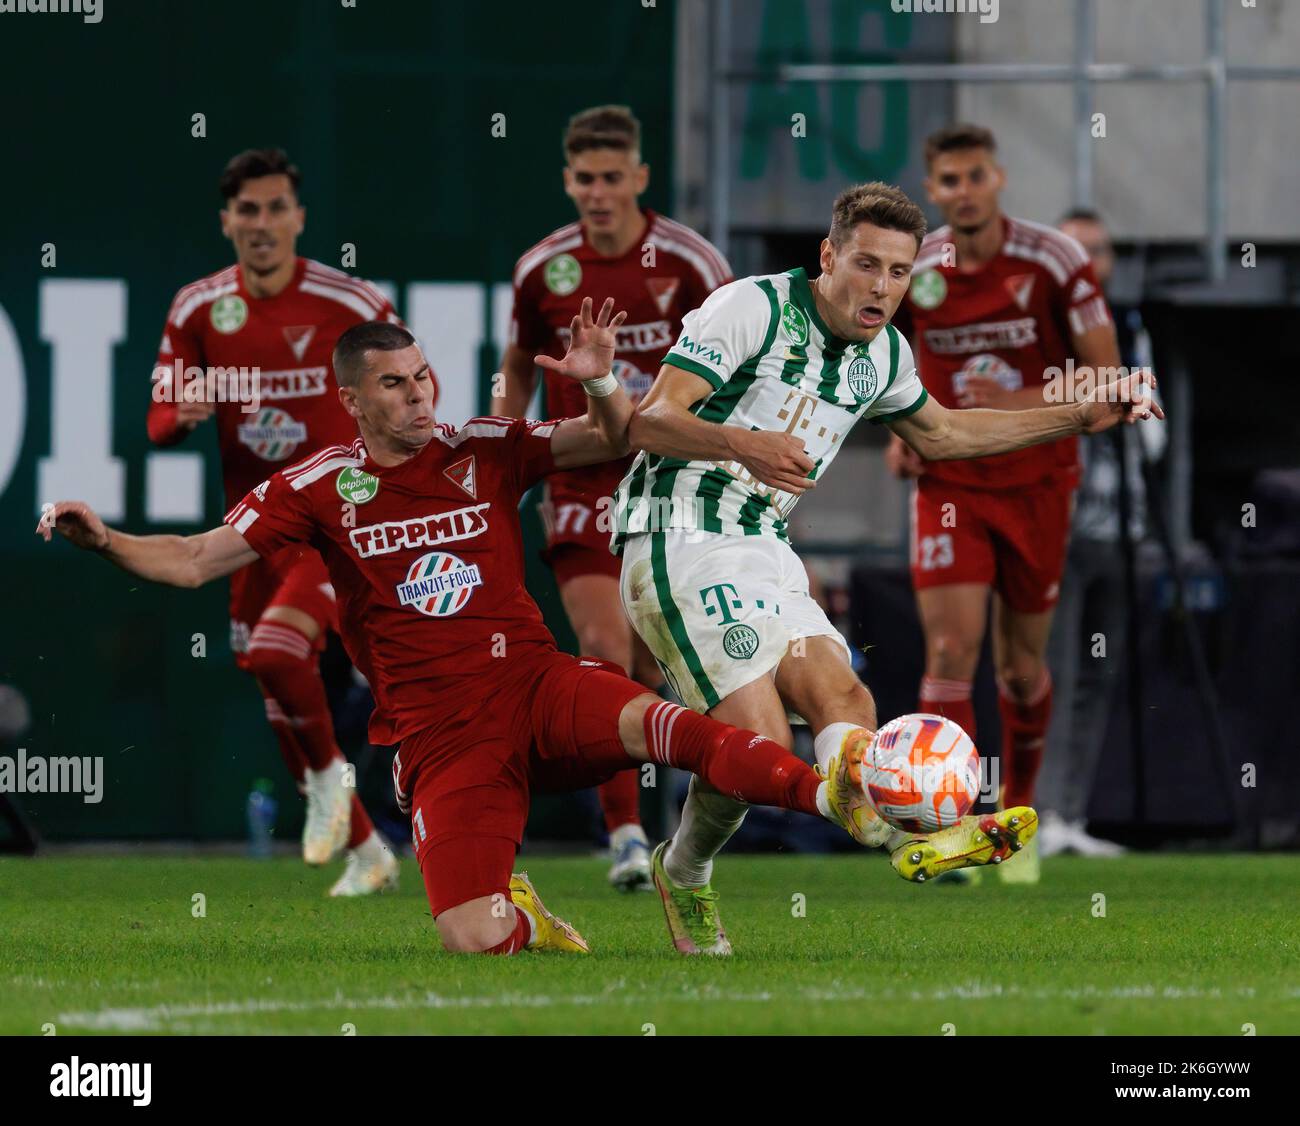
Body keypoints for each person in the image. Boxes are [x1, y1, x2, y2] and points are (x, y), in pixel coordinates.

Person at [40, 301, 928, 956]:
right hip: (441, 738)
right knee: (474, 937)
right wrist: (103, 540)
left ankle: (844, 800)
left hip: (538, 687)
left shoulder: (483, 444)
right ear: (352, 400)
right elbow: (195, 560)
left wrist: (598, 380)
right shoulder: (316, 486)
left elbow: (612, 440)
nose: (420, 395)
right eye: (394, 384)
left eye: (423, 375)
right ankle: (524, 912)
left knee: (686, 732)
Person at [614, 178, 1161, 952]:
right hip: (679, 533)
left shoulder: (885, 355)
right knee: (761, 745)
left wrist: (1077, 416)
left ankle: (873, 830)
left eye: (900, 273)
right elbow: (651, 419)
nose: (882, 288)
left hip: (764, 544)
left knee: (843, 695)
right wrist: (748, 442)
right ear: (829, 255)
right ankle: (733, 864)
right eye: (866, 266)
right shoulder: (752, 308)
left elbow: (944, 435)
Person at [147, 148, 413, 895]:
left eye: (274, 208)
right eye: (246, 210)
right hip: (251, 528)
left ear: (299, 217)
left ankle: (342, 786)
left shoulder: (349, 302)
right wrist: (180, 416)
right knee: (278, 702)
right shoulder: (200, 308)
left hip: (335, 515)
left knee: (276, 651)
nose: (261, 224)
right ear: (226, 220)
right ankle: (367, 853)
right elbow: (159, 416)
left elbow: (414, 383)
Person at [493, 106, 732, 890]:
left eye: (611, 177)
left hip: (670, 478)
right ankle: (627, 837)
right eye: (583, 179)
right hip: (582, 476)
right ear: (568, 181)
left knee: (667, 663)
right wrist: (502, 438)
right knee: (603, 649)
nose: (597, 193)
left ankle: (681, 828)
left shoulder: (691, 261)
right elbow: (520, 363)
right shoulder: (542, 269)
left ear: (639, 177)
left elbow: (746, 352)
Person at [884, 125, 1127, 884]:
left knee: (1021, 670)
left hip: (1038, 484)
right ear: (932, 191)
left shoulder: (1054, 261)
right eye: (948, 180)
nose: (962, 191)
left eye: (974, 176)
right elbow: (883, 358)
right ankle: (952, 828)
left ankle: (1015, 817)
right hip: (952, 482)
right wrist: (902, 427)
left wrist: (1017, 396)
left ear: (1000, 178)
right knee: (952, 653)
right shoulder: (917, 268)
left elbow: (1111, 385)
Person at [1036, 209, 1166, 858]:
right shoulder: (1043, 325)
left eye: (1100, 249)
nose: (1090, 262)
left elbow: (1154, 432)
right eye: (1075, 249)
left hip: (1122, 525)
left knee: (1096, 671)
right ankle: (1039, 815)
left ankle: (1072, 812)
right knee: (1050, 670)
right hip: (1057, 520)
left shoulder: (1127, 330)